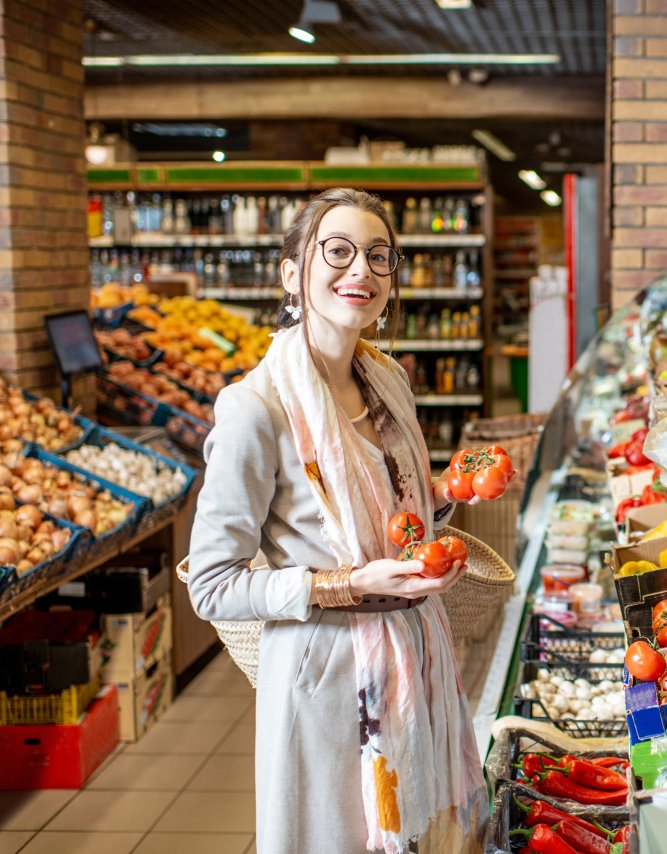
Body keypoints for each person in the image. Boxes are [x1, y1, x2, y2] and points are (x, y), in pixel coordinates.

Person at [187, 188, 486, 854]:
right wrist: (343, 584)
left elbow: (396, 510)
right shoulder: (255, 409)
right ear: (292, 273)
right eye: (339, 251)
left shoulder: (387, 381)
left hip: (412, 652)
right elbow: (211, 584)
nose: (362, 272)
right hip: (325, 681)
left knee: (418, 834)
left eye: (380, 257)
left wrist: (443, 495)